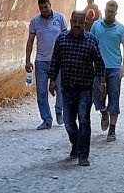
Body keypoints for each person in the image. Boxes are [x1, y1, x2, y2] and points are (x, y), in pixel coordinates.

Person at [47, 9, 105, 167]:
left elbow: (99, 62)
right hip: (67, 87)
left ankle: (83, 155)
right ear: (71, 21)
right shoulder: (62, 39)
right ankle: (76, 143)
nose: (78, 25)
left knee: (84, 120)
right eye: (75, 22)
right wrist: (52, 80)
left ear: (85, 23)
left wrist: (102, 83)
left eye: (81, 22)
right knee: (68, 121)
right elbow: (55, 61)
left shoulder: (91, 40)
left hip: (85, 88)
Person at [25, 0, 68, 129]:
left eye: (46, 7)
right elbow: (30, 41)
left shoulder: (60, 18)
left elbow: (66, 38)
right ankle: (47, 120)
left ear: (50, 5)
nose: (44, 10)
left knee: (61, 88)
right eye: (41, 8)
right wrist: (27, 61)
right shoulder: (35, 21)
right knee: (41, 92)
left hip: (58, 61)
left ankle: (59, 109)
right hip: (41, 61)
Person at [88, 0, 124, 141]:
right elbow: (90, 43)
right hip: (97, 67)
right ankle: (103, 112)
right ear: (104, 10)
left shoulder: (121, 29)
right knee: (97, 95)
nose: (109, 14)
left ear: (116, 12)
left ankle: (112, 129)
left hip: (114, 67)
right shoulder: (96, 25)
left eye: (112, 12)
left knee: (114, 96)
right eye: (107, 11)